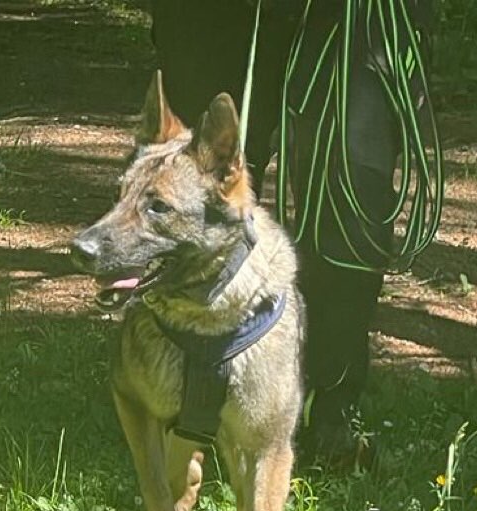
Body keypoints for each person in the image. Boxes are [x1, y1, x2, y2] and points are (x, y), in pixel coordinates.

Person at [149, 0, 437, 467]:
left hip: (355, 16)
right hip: (211, 16)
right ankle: (192, 403)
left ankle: (330, 411)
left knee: (350, 194)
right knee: (202, 176)